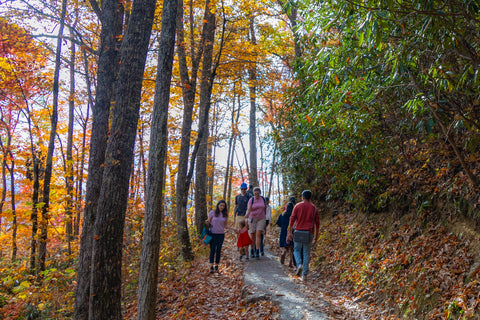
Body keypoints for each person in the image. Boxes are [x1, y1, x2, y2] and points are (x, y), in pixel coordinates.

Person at [287, 190, 319, 282]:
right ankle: (304, 275)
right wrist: (316, 236)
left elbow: (292, 219)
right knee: (306, 253)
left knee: (296, 250)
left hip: (298, 232)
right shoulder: (314, 208)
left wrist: (289, 232)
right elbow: (317, 223)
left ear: (302, 197)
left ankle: (299, 264)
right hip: (309, 232)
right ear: (310, 198)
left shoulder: (297, 206)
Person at [205, 200, 230, 273]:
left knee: (218, 250)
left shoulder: (224, 214)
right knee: (212, 250)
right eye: (221, 205)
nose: (222, 207)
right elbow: (208, 221)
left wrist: (233, 229)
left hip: (221, 234)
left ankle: (217, 266)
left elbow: (225, 225)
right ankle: (211, 266)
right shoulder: (212, 213)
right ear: (218, 205)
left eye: (223, 206)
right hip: (213, 233)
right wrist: (206, 222)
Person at [245, 187, 266, 259]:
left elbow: (265, 208)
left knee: (258, 234)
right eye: (255, 194)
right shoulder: (251, 200)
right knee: (252, 235)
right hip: (252, 218)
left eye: (258, 193)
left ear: (260, 193)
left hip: (261, 218)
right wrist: (247, 215)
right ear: (253, 194)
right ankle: (252, 250)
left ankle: (257, 251)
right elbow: (249, 209)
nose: (256, 195)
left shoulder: (263, 199)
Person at [276, 196, 295, 267]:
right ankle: (290, 263)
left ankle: (283, 252)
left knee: (284, 246)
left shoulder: (282, 214)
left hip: (283, 231)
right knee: (291, 248)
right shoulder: (293, 215)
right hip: (291, 231)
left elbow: (277, 224)